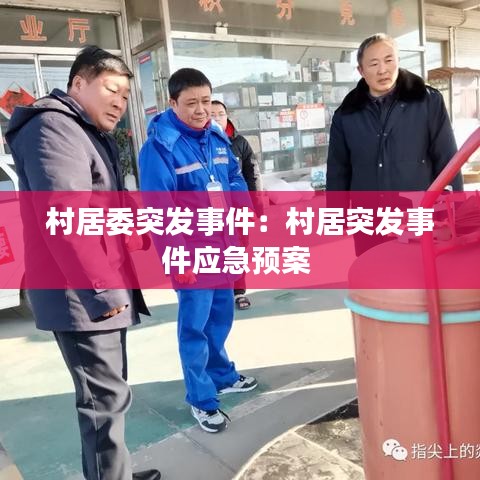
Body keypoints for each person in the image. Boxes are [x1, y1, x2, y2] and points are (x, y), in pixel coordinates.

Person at [6, 46, 160, 480]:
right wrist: (100, 291)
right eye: (111, 89)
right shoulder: (53, 128)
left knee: (112, 396)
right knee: (102, 405)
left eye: (126, 95)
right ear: (78, 83)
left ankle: (117, 473)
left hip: (97, 290)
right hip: (80, 296)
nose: (120, 102)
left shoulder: (84, 130)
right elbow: (65, 219)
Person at [139, 68, 258, 434]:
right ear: (172, 103)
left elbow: (234, 175)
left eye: (206, 101)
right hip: (191, 254)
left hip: (223, 244)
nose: (201, 110)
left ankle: (221, 375)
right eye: (191, 103)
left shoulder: (216, 136)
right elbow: (159, 211)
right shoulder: (159, 149)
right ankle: (201, 398)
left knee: (221, 317)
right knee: (195, 327)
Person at [326, 33, 463, 255]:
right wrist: (336, 214)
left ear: (398, 61)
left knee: (418, 270)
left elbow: (447, 159)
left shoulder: (427, 101)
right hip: (368, 218)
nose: (383, 70)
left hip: (417, 214)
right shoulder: (347, 113)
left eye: (389, 60)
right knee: (372, 269)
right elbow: (338, 168)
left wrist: (456, 209)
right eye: (373, 64)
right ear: (361, 70)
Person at [211, 100, 262, 310]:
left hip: (238, 208)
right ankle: (220, 291)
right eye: (212, 114)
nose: (216, 118)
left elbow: (252, 173)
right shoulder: (202, 144)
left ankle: (239, 292)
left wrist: (256, 205)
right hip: (213, 210)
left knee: (238, 249)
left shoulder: (239, 143)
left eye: (220, 114)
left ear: (227, 116)